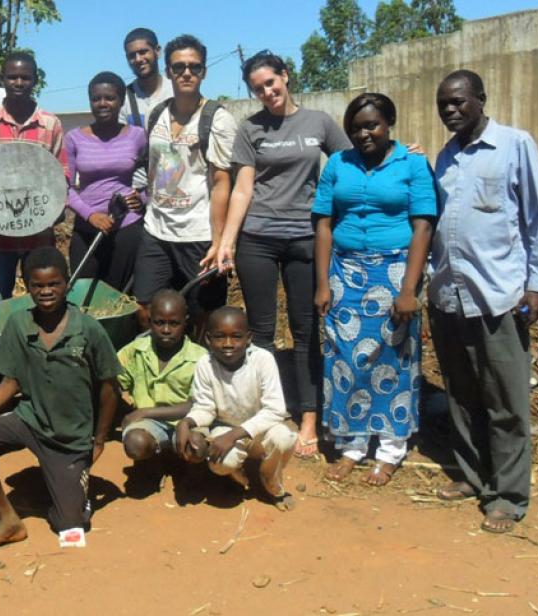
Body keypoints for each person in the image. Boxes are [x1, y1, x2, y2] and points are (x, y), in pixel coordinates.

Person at [428, 70, 538, 534]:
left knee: (505, 400)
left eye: (459, 101)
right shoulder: (446, 157)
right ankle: (473, 474)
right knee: (462, 395)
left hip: (498, 295)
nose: (451, 110)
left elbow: (536, 219)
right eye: (444, 104)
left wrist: (537, 284)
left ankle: (507, 494)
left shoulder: (514, 146)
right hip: (449, 296)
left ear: (481, 99)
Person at [215, 51, 351, 458]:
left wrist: (401, 152)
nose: (267, 93)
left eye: (271, 83)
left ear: (286, 77)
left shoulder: (319, 122)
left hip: (305, 238)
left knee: (307, 328)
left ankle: (309, 413)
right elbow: (243, 188)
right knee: (262, 330)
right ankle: (270, 413)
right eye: (258, 89)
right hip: (257, 237)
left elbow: (352, 162)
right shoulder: (250, 128)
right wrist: (227, 241)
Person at [0, 247, 121, 555]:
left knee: (70, 524)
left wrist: (99, 438)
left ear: (67, 284)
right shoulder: (19, 324)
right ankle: (8, 519)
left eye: (53, 284)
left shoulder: (88, 329)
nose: (45, 292)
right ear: (26, 286)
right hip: (29, 420)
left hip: (70, 437)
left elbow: (110, 387)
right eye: (37, 285)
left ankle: (63, 484)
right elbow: (9, 382)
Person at [312, 93, 437, 486]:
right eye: (356, 128)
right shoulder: (337, 164)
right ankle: (352, 445)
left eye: (372, 125)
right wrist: (322, 284)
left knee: (394, 359)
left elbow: (423, 226)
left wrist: (408, 289)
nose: (363, 133)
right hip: (345, 273)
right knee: (345, 360)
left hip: (394, 272)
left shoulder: (413, 164)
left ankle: (389, 449)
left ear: (389, 124)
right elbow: (324, 225)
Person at [133, 34, 235, 331]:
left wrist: (219, 242)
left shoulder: (216, 119)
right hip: (157, 231)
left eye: (194, 67)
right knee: (145, 308)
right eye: (179, 67)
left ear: (204, 71)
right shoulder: (158, 114)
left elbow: (221, 184)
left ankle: (198, 375)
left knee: (203, 316)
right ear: (168, 71)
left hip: (199, 235)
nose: (187, 73)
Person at [0, 51, 69, 304]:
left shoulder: (50, 124)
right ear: (1, 79)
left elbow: (61, 173)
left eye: (25, 77)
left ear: (35, 80)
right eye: (12, 77)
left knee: (42, 301)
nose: (18, 83)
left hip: (39, 233)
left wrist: (57, 207)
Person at [174, 307, 296, 510]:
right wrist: (186, 422)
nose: (228, 344)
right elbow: (205, 406)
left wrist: (234, 436)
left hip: (261, 430)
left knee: (285, 438)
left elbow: (275, 409)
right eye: (219, 337)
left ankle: (271, 484)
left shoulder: (262, 360)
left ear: (248, 338)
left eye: (236, 337)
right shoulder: (205, 364)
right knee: (220, 463)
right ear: (208, 339)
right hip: (226, 428)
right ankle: (239, 475)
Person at [66, 71, 146, 291]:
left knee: (119, 295)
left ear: (120, 101)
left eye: (109, 98)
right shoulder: (74, 138)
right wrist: (91, 215)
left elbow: (160, 177)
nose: (102, 103)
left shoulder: (138, 136)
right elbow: (65, 187)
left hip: (127, 227)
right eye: (96, 98)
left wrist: (143, 198)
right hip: (87, 227)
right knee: (82, 293)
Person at [117, 289, 207, 465]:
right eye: (159, 323)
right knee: (136, 443)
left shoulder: (200, 357)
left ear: (185, 322)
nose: (166, 330)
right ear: (149, 322)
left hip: (188, 421)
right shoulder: (136, 350)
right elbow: (114, 383)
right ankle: (153, 465)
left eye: (174, 323)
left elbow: (195, 404)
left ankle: (191, 473)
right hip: (149, 423)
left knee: (196, 446)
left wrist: (143, 411)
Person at [119, 28, 173, 128]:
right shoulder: (124, 99)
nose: (138, 59)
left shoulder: (176, 92)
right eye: (132, 55)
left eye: (143, 52)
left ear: (157, 51)